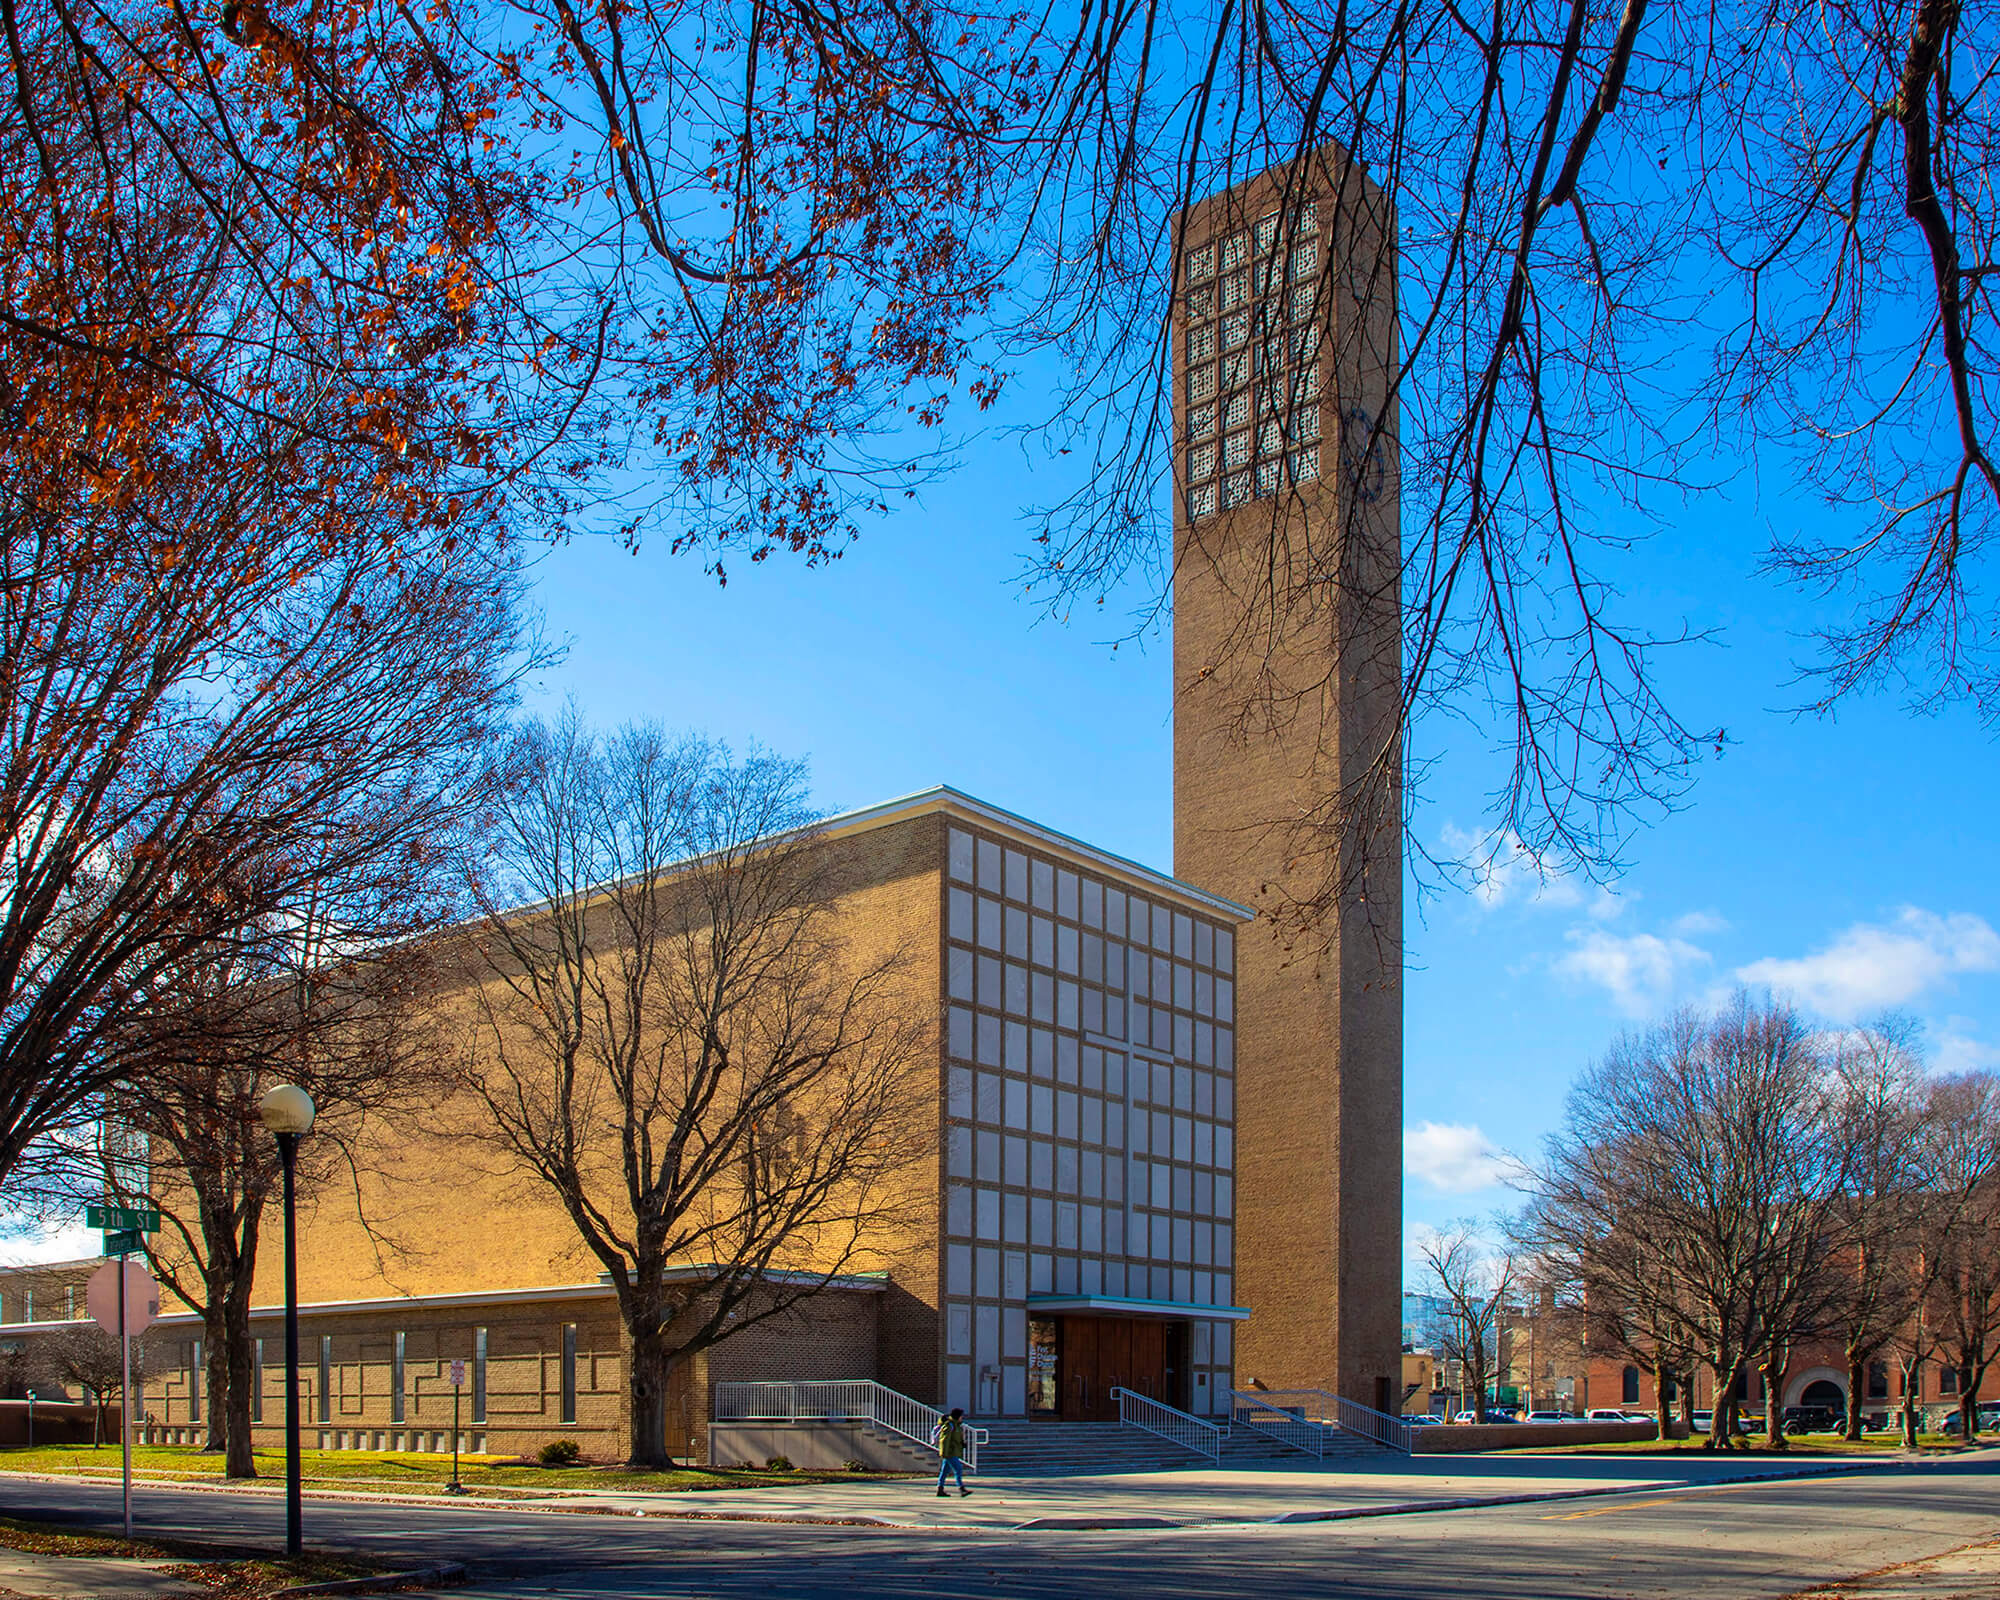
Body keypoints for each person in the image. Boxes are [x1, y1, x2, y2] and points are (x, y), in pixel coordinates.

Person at [931, 1407, 972, 1497]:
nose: (962, 1418)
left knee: (945, 1471)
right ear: (957, 1416)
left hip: (952, 1451)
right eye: (961, 1416)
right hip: (949, 1452)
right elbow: (944, 1440)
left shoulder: (957, 1425)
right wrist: (945, 1453)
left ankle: (940, 1489)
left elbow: (956, 1438)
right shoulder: (949, 1425)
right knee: (958, 1469)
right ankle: (961, 1488)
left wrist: (962, 1443)